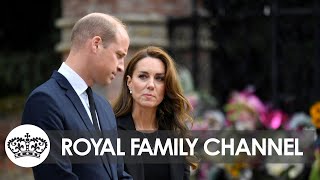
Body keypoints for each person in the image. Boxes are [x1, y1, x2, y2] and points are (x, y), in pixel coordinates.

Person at [21, 12, 132, 180]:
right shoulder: (43, 102)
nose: (121, 67)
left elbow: (119, 174)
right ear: (96, 44)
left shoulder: (104, 107)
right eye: (119, 55)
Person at [113, 46, 195, 180]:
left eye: (159, 78)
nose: (151, 85)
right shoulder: (111, 131)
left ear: (166, 86)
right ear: (129, 82)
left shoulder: (176, 134)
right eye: (143, 76)